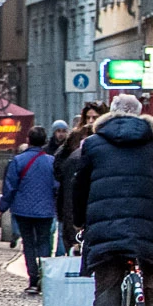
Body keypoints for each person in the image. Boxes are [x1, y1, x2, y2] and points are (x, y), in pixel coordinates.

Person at [71, 94, 153, 306]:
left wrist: (80, 221)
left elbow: (81, 186)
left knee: (106, 289)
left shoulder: (92, 144)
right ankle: (149, 293)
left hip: (105, 224)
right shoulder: (151, 144)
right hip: (144, 219)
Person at [0, 126, 59, 294]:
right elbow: (56, 186)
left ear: (28, 140)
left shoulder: (18, 161)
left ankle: (33, 279)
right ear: (45, 141)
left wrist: (3, 207)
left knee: (28, 243)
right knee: (44, 242)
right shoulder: (51, 161)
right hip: (46, 209)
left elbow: (10, 187)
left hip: (23, 209)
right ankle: (44, 277)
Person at [54, 101, 105, 254]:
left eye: (94, 118)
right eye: (88, 118)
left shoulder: (106, 136)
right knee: (74, 238)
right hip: (74, 192)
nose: (90, 121)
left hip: (97, 192)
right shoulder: (75, 137)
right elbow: (59, 165)